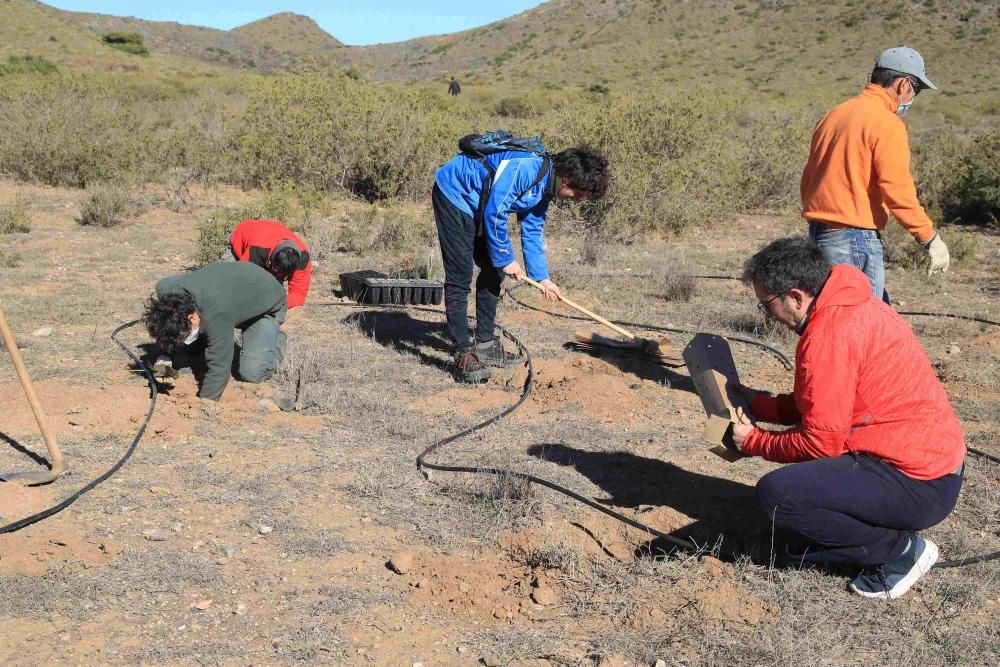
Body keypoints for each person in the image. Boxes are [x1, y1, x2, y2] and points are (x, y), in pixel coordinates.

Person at [732, 236, 965, 600]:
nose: (767, 315)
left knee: (779, 495)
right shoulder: (849, 301)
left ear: (795, 296)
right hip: (933, 466)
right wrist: (761, 406)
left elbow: (820, 442)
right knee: (797, 518)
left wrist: (755, 442)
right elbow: (821, 400)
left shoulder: (829, 333)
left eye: (766, 306)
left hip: (918, 482)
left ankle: (900, 552)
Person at [433, 144, 609, 382]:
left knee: (494, 270)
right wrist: (506, 257)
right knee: (460, 275)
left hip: (481, 204)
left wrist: (543, 279)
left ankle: (485, 344)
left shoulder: (547, 185)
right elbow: (496, 212)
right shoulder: (526, 169)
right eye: (578, 195)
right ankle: (463, 352)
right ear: (567, 178)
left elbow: (532, 229)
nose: (576, 201)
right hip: (455, 195)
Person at [800, 46, 950, 303]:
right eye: (917, 89)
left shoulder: (833, 115)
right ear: (903, 84)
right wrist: (929, 238)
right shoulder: (886, 123)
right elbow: (897, 190)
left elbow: (809, 178)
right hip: (854, 238)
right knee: (863, 323)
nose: (913, 97)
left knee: (834, 316)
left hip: (820, 233)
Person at [144, 262, 288, 401]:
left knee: (252, 373)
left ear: (192, 318)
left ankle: (276, 340)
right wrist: (162, 360)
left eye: (183, 336)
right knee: (195, 356)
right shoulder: (167, 291)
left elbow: (219, 368)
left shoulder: (217, 315)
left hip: (267, 300)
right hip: (235, 287)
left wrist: (204, 403)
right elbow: (167, 330)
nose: (183, 340)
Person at [228, 219, 313, 308]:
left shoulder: (302, 259)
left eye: (284, 274)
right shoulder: (256, 251)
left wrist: (274, 304)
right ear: (271, 259)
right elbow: (243, 281)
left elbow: (298, 295)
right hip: (240, 241)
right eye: (276, 269)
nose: (278, 275)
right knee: (227, 285)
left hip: (269, 237)